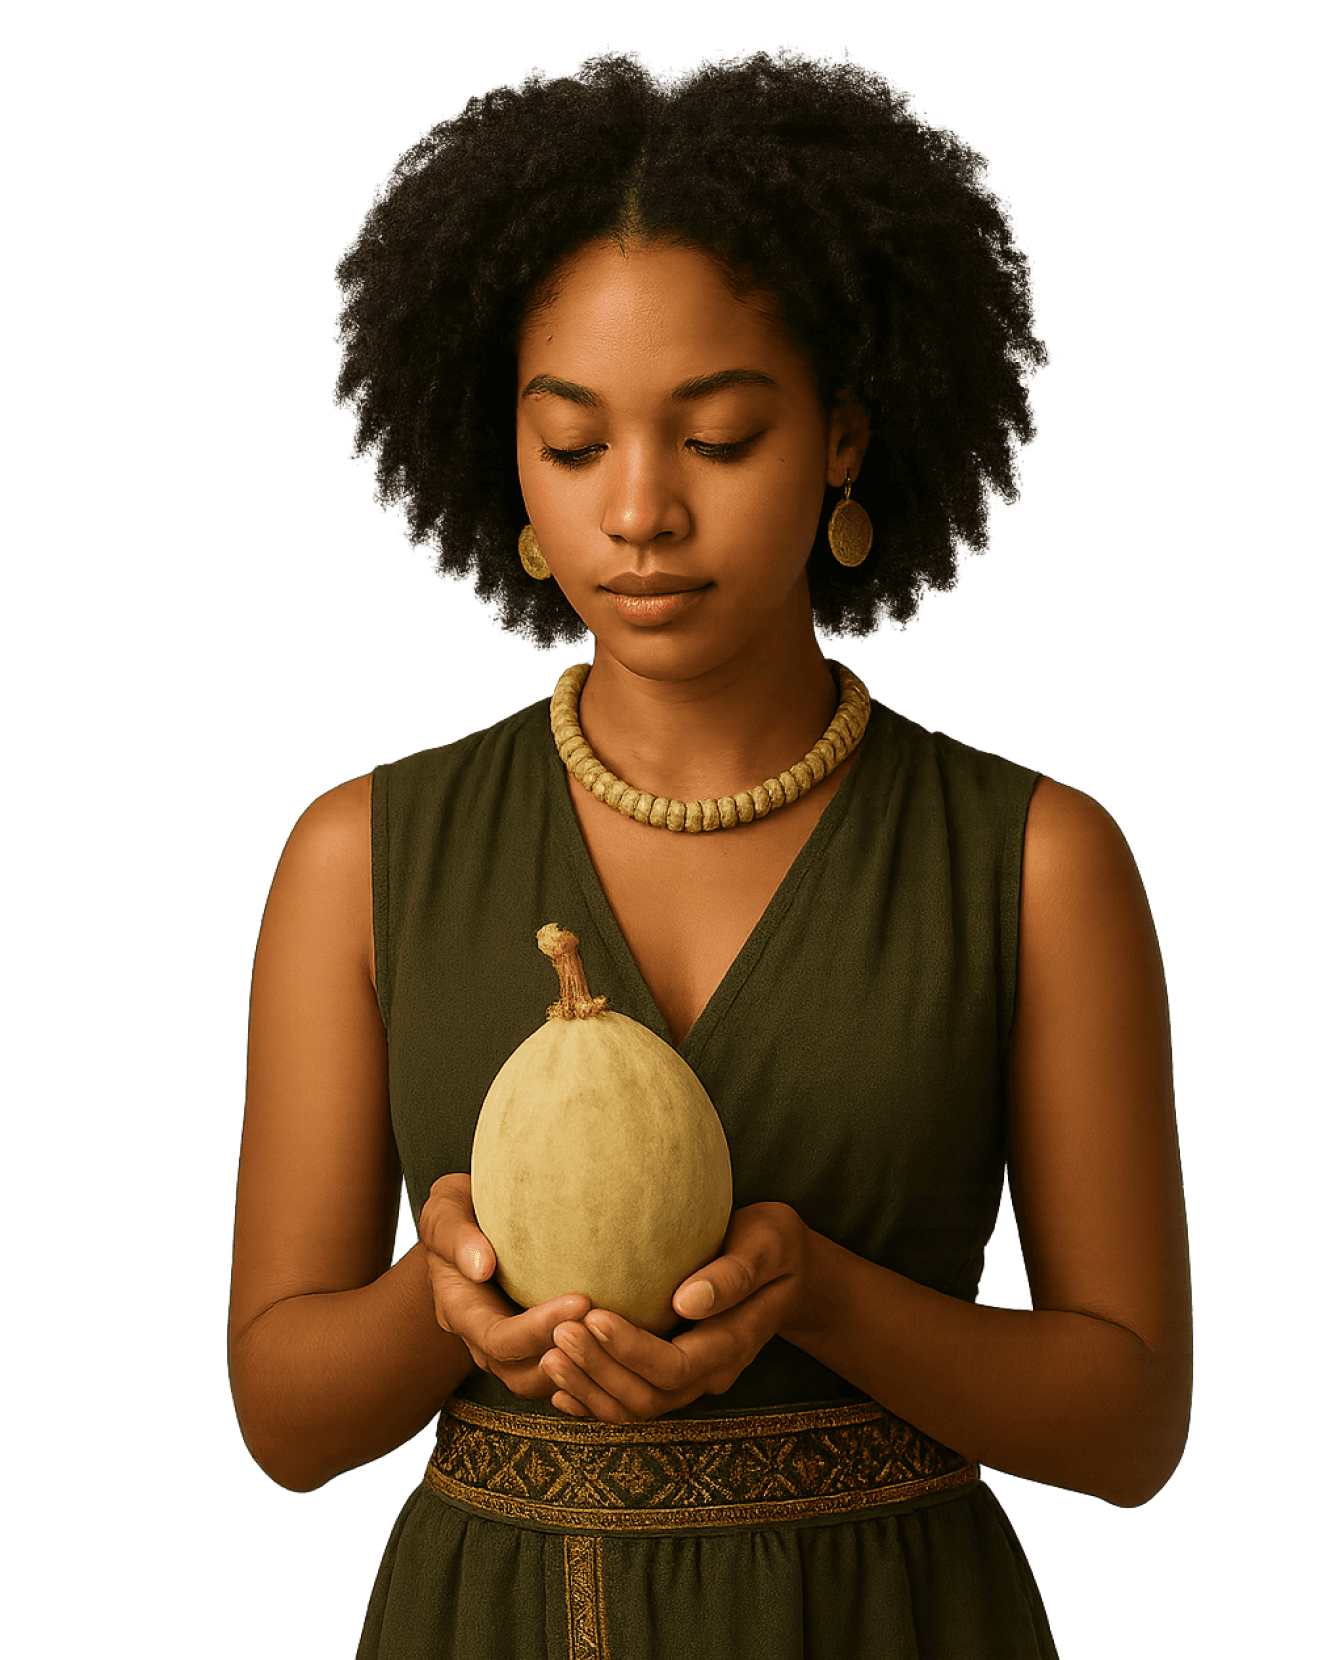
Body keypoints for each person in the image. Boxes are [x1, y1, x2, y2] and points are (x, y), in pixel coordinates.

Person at [227, 44, 1193, 1659]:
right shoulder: (358, 856)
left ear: (843, 439)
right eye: (574, 444)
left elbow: (1133, 1425)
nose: (639, 514)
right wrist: (440, 1299)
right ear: (505, 458)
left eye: (722, 437)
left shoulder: (1038, 861)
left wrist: (821, 1293)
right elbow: (282, 1418)